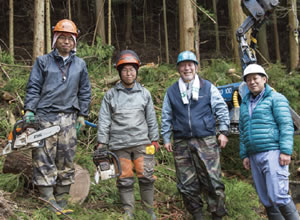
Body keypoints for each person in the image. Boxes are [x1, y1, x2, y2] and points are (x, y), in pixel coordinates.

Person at [24, 19, 91, 215]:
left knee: (67, 159)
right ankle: (47, 198)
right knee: (43, 158)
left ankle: (61, 198)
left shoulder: (80, 64)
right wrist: (30, 110)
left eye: (70, 39)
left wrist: (82, 114)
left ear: (74, 42)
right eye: (62, 38)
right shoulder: (43, 61)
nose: (66, 42)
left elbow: (85, 91)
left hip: (69, 118)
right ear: (55, 39)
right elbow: (34, 87)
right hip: (45, 116)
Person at [161, 51, 230, 220]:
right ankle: (197, 215)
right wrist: (165, 137)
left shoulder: (207, 87)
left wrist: (223, 131)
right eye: (183, 65)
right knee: (186, 183)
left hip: (206, 140)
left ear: (196, 67)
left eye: (190, 64)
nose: (187, 68)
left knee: (213, 180)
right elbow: (166, 115)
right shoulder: (172, 91)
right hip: (181, 142)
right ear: (178, 68)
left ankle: (217, 214)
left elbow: (221, 108)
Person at [97, 50, 159, 220]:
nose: (129, 73)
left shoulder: (144, 94)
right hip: (119, 144)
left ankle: (148, 211)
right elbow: (104, 120)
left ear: (137, 71)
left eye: (132, 69)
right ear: (119, 72)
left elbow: (151, 118)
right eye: (125, 70)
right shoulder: (110, 95)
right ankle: (128, 212)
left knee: (147, 176)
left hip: (142, 143)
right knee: (124, 179)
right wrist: (102, 142)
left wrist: (154, 139)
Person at [239, 64, 299, 220]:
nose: (252, 82)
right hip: (254, 155)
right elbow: (243, 129)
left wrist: (286, 151)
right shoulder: (245, 103)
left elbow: (286, 125)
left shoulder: (276, 98)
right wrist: (245, 154)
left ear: (264, 79)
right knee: (266, 199)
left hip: (272, 152)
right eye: (248, 80)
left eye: (255, 78)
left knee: (278, 195)